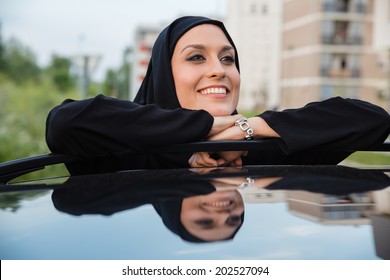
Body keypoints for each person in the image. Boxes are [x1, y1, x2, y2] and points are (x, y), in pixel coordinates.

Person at [45, 16, 390, 175]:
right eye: (196, 57)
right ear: (164, 72)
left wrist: (245, 130)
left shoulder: (260, 152)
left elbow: (372, 119)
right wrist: (202, 127)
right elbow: (66, 123)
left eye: (228, 58)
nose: (220, 70)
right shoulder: (122, 153)